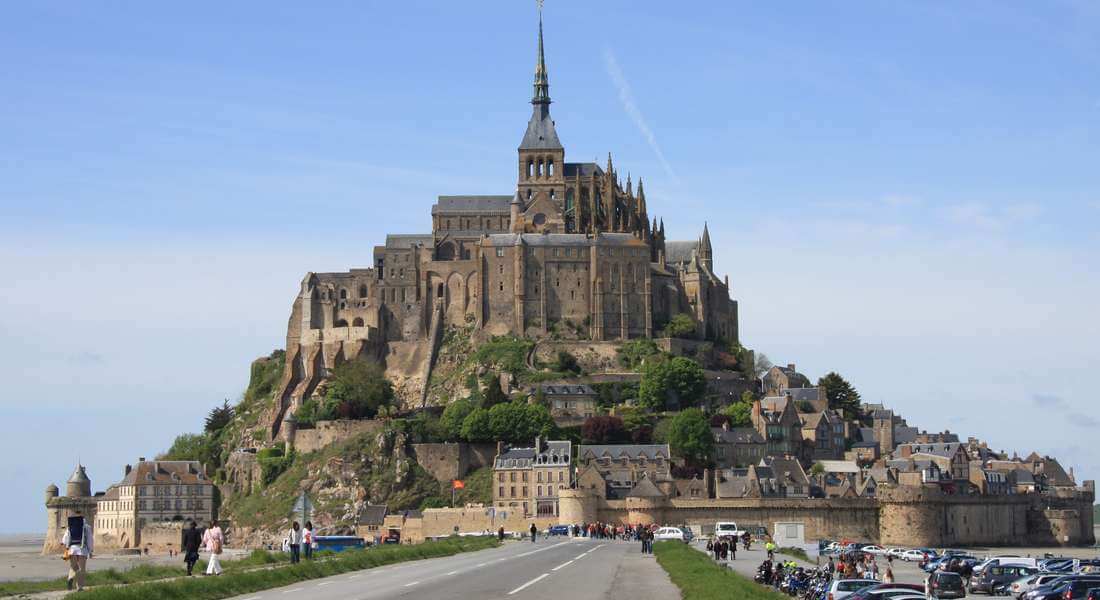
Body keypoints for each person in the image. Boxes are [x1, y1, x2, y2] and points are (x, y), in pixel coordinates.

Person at [61, 513, 92, 591]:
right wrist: (90, 551)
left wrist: (66, 549)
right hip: (82, 550)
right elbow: (90, 540)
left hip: (72, 549)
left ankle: (70, 578)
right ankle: (79, 587)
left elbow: (64, 540)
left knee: (74, 567)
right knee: (81, 569)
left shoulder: (70, 527)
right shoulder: (87, 527)